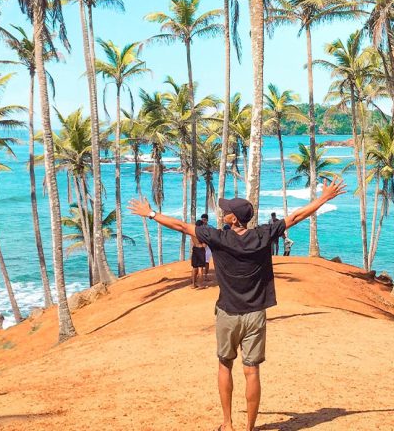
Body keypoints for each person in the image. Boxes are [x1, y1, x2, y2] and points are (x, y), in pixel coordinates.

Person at [129, 178, 346, 431]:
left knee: (225, 365)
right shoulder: (262, 235)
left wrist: (151, 213)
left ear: (234, 219)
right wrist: (323, 198)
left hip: (228, 314)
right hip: (255, 314)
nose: (223, 212)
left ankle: (228, 424)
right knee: (251, 371)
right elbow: (296, 217)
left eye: (227, 211)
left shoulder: (217, 237)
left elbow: (180, 226)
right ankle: (249, 428)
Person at [191, 216, 208, 288]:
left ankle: (193, 284)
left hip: (194, 249)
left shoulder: (192, 233)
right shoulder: (201, 233)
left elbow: (192, 242)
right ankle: (200, 285)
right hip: (200, 250)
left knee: (194, 268)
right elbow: (204, 245)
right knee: (200, 268)